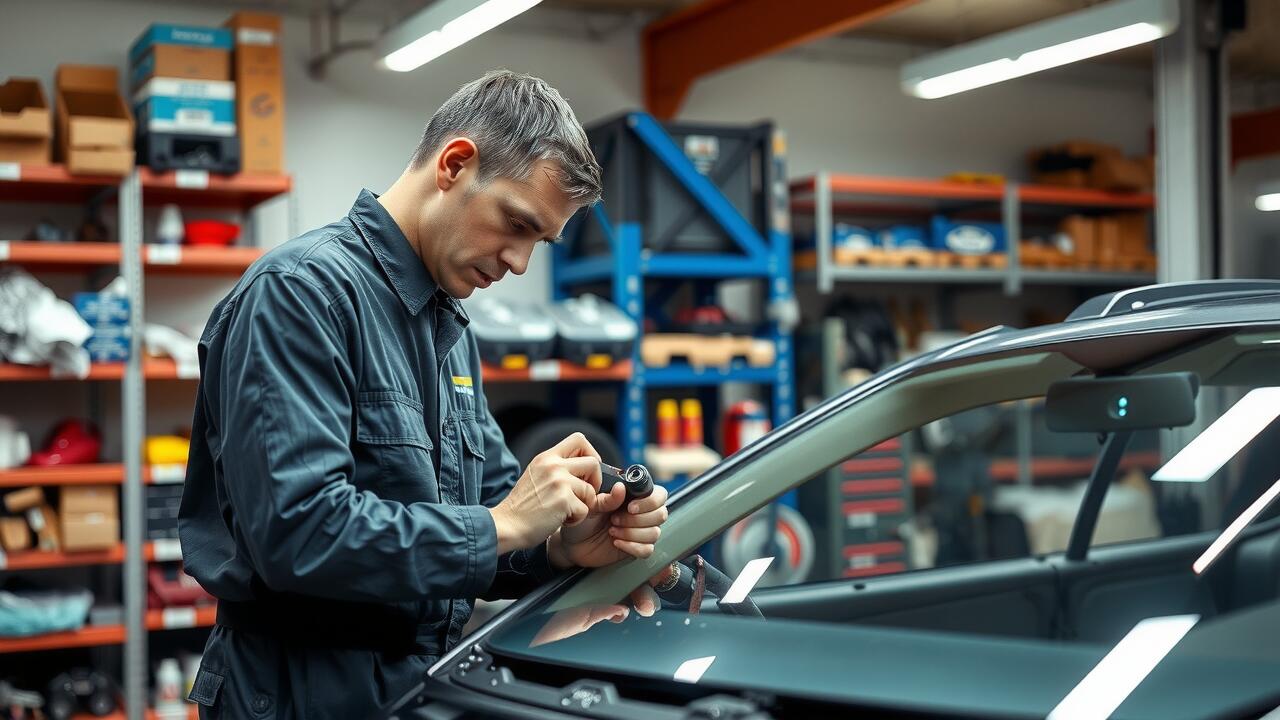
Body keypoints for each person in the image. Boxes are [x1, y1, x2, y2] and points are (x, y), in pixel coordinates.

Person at [178, 70, 669, 719]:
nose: (520, 263)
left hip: (413, 685)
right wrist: (504, 524)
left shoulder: (448, 324)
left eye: (540, 242)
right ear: (455, 163)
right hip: (300, 690)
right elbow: (297, 533)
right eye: (516, 224)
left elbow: (488, 512)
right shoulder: (302, 295)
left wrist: (555, 547)